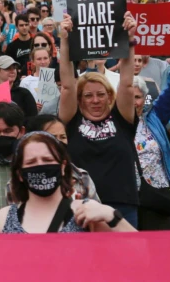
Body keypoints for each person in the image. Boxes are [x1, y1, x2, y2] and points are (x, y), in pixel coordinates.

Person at [58, 12, 141, 227]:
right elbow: (67, 85)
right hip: (81, 205)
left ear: (109, 96)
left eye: (101, 94)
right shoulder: (72, 119)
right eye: (88, 95)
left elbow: (127, 83)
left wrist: (129, 40)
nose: (95, 100)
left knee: (125, 259)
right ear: (80, 99)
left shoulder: (121, 118)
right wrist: (65, 40)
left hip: (121, 205)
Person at [0, 131, 136, 233]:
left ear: (63, 167)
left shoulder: (85, 213)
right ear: (19, 174)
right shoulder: (3, 219)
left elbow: (141, 253)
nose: (40, 165)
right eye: (31, 162)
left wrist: (112, 216)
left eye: (48, 160)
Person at [132, 41, 170, 230]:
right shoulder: (111, 124)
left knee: (161, 251)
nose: (134, 102)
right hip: (128, 197)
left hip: (158, 195)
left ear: (144, 98)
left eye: (138, 97)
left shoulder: (154, 117)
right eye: (128, 97)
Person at [19, 46, 57, 114]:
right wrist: (32, 107)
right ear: (33, 62)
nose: (43, 62)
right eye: (39, 59)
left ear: (49, 59)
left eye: (45, 58)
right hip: (34, 120)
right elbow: (21, 105)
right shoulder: (26, 82)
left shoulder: (57, 79)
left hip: (53, 119)